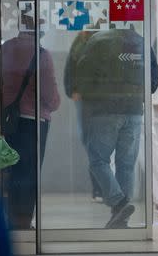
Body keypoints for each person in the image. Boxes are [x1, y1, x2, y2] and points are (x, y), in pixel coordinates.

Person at [73, 23, 158, 229]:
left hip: (105, 111)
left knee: (97, 160)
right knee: (126, 165)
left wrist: (92, 98)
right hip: (134, 110)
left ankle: (118, 202)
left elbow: (82, 75)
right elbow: (154, 82)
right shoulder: (141, 42)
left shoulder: (97, 41)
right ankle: (121, 218)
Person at [0, 0, 60, 229]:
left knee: (10, 169)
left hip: (7, 120)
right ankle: (23, 220)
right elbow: (50, 97)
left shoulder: (5, 49)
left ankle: (9, 216)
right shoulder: (41, 54)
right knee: (29, 171)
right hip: (33, 121)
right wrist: (55, 103)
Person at [64, 29, 103, 203]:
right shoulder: (79, 41)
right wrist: (72, 90)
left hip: (101, 99)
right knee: (90, 142)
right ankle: (99, 188)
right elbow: (70, 68)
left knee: (100, 142)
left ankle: (103, 188)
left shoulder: (103, 40)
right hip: (85, 99)